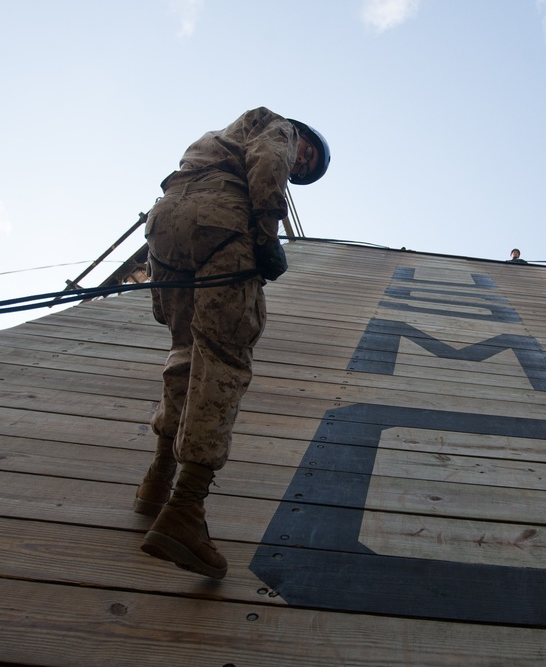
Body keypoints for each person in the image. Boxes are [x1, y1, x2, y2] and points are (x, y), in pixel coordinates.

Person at [133, 107, 330, 579]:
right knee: (223, 361)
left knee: (183, 351)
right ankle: (185, 509)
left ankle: (156, 481)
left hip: (165, 227)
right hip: (221, 224)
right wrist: (266, 234)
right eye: (306, 159)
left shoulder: (216, 140)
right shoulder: (277, 125)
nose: (301, 165)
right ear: (301, 137)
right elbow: (268, 159)